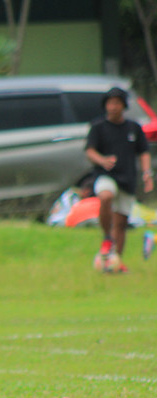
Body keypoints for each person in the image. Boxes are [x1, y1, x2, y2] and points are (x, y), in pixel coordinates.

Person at [85, 87, 153, 273]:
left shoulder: (133, 128)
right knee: (106, 196)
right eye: (109, 103)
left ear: (123, 106)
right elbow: (90, 150)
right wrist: (103, 160)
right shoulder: (98, 127)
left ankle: (116, 262)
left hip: (127, 178)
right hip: (105, 175)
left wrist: (147, 173)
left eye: (116, 103)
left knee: (121, 223)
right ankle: (107, 237)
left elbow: (144, 152)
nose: (112, 107)